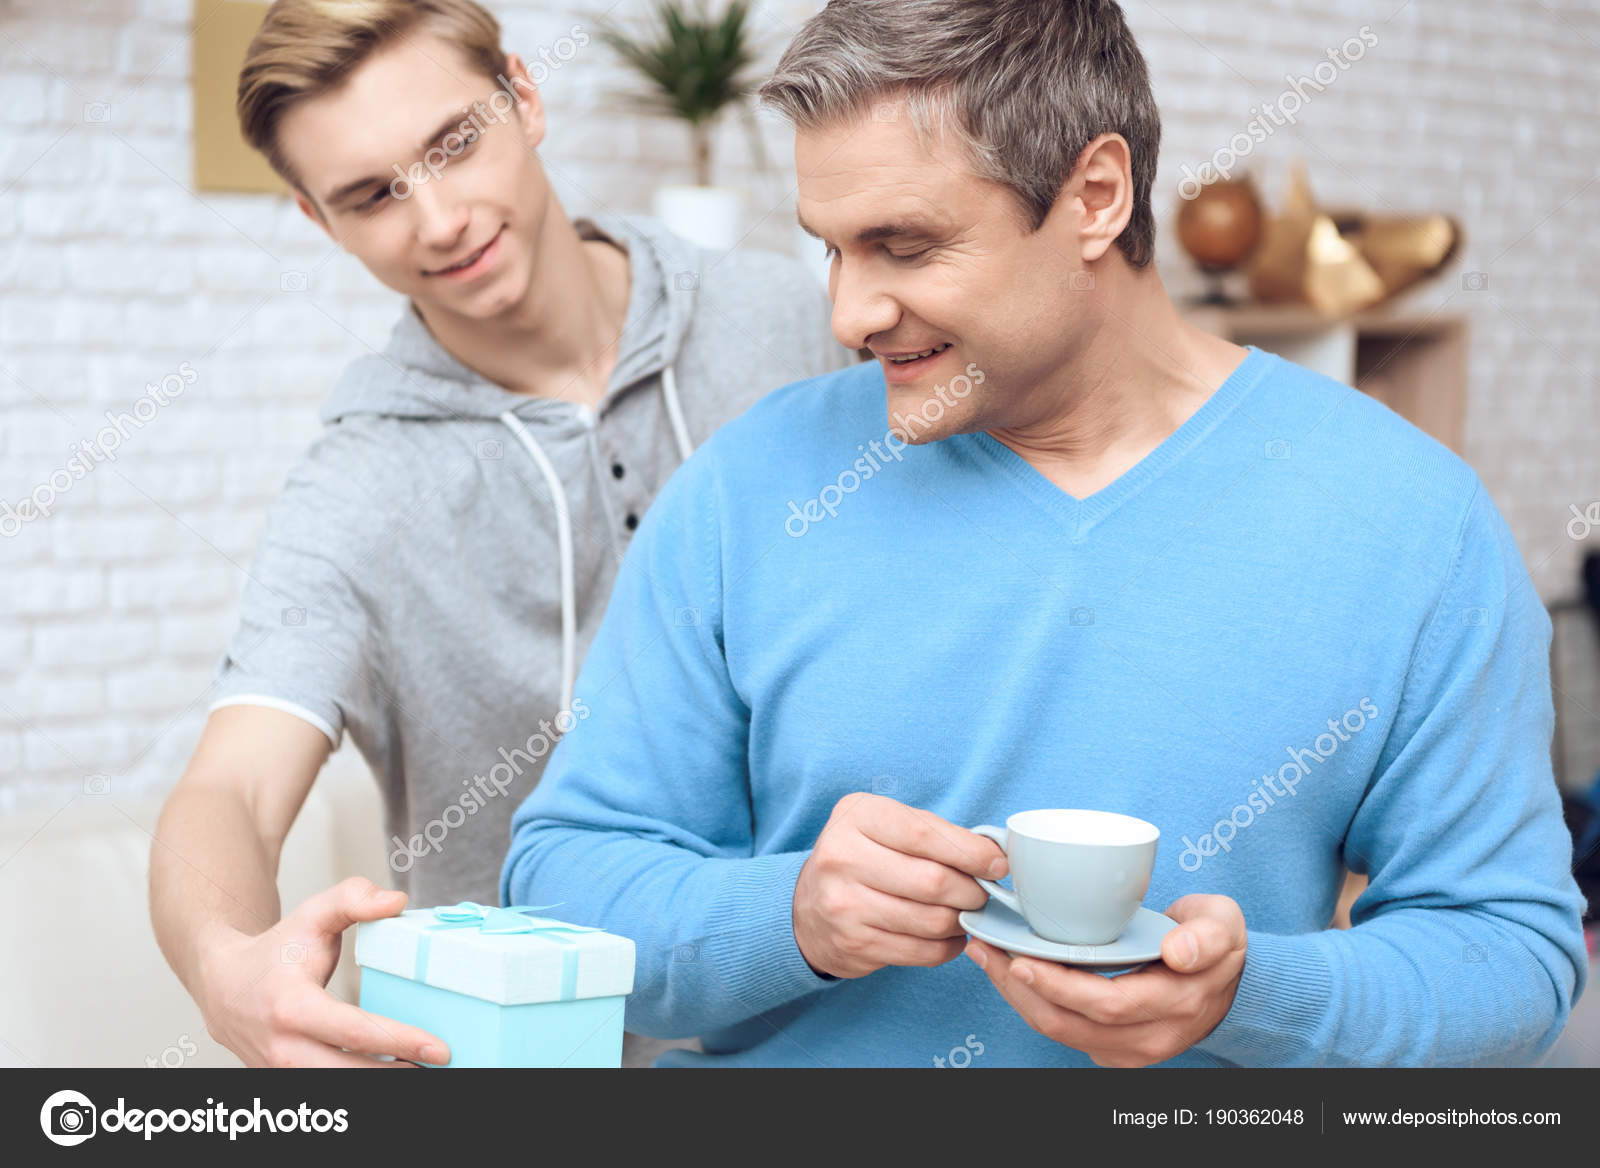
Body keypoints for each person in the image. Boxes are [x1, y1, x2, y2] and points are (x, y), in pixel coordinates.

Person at [502, 0, 1588, 1067]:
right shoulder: (748, 489)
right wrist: (792, 917)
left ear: (1095, 198)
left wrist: (1249, 996)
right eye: (830, 250)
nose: (848, 314)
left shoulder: (1411, 522)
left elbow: (1510, 956)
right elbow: (561, 889)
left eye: (903, 246)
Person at [149, 0, 850, 1069]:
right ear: (319, 221)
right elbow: (231, 788)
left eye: (453, 144)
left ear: (522, 96)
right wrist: (223, 965)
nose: (439, 220)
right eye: (372, 195)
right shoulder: (361, 486)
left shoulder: (781, 315)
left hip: (842, 1038)